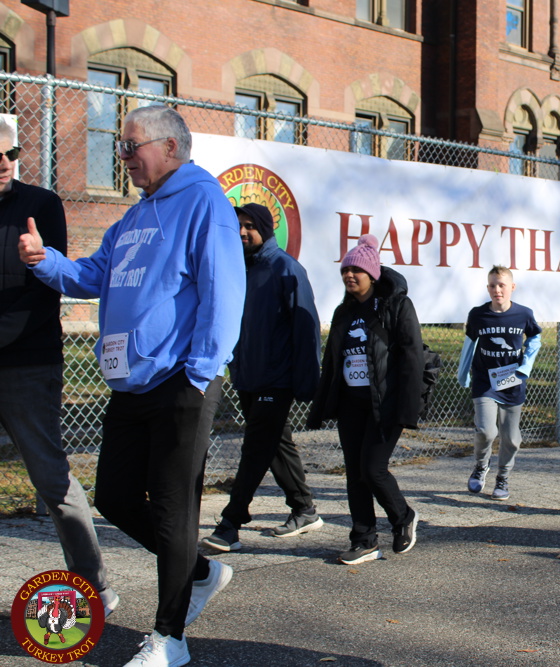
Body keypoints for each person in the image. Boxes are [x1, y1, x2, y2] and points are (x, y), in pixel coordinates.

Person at [19, 105, 245, 667]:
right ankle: (200, 571)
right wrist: (44, 261)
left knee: (172, 510)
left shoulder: (204, 203)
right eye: (120, 146)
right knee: (116, 497)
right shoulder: (135, 216)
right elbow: (93, 275)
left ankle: (170, 639)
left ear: (169, 147)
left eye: (130, 145)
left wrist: (201, 373)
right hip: (131, 384)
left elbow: (223, 293)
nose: (122, 156)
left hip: (182, 382)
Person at [0, 120, 119, 616]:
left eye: (10, 153)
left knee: (51, 478)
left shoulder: (41, 205)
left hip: (27, 363)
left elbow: (48, 289)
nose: (3, 162)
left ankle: (94, 585)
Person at [201, 204, 323, 552]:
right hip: (248, 375)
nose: (242, 232)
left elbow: (307, 328)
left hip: (276, 378)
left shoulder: (286, 268)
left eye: (250, 225)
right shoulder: (239, 268)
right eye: (238, 225)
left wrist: (307, 380)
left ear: (266, 230)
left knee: (255, 448)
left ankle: (231, 523)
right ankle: (304, 509)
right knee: (274, 445)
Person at [307, 234, 422, 565]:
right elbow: (332, 361)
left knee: (373, 469)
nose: (349, 275)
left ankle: (403, 517)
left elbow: (411, 356)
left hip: (385, 404)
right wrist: (322, 404)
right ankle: (363, 540)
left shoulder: (395, 306)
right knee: (355, 473)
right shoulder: (343, 311)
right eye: (345, 270)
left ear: (372, 274)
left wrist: (407, 407)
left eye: (356, 270)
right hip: (350, 404)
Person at [456, 265, 542, 500]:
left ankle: (502, 477)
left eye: (502, 285)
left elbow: (535, 338)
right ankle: (480, 465)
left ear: (512, 287)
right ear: (488, 288)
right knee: (486, 431)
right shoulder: (478, 315)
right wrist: (463, 374)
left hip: (513, 382)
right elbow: (469, 344)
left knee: (512, 439)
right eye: (493, 285)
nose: (497, 290)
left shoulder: (524, 314)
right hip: (485, 381)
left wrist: (525, 366)